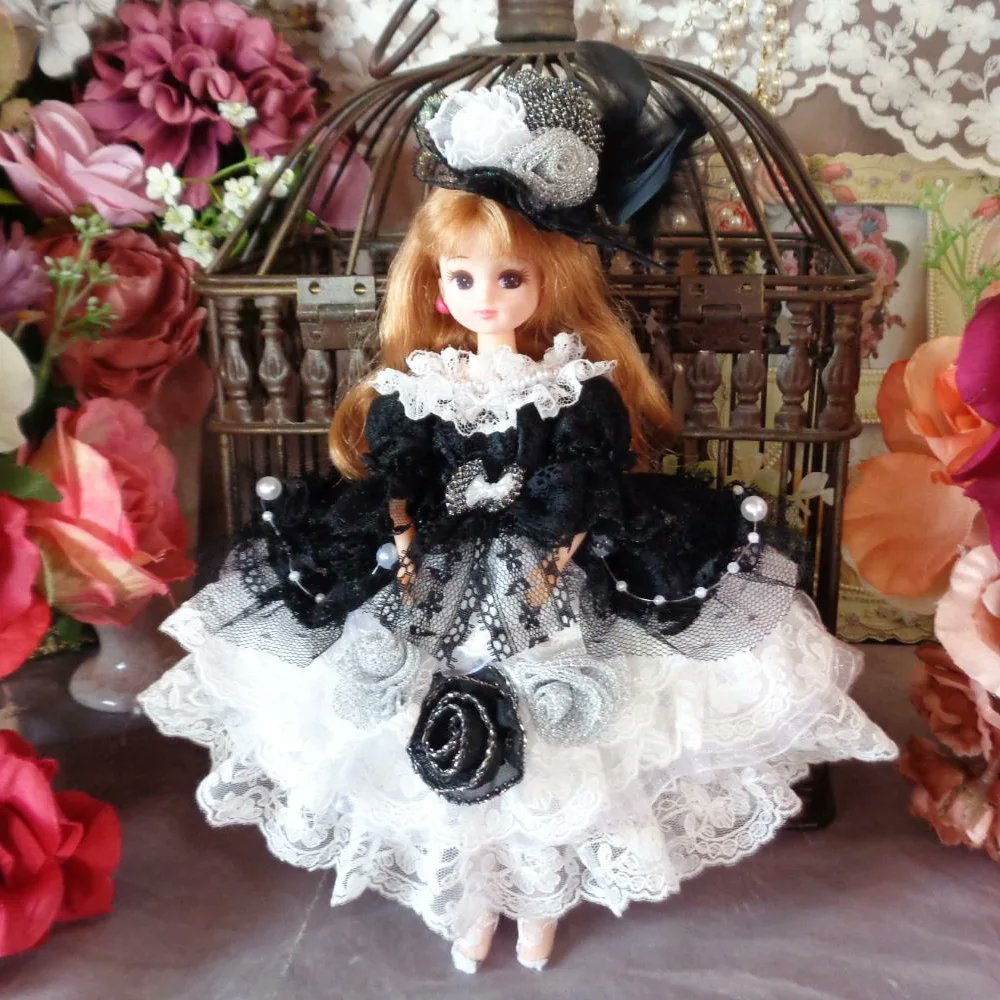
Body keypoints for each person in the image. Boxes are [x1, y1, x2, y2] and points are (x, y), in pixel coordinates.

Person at [140, 56, 895, 974]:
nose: (485, 298)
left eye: (508, 278)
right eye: (463, 279)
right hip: (436, 571)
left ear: (547, 280)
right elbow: (400, 468)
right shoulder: (421, 385)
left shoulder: (572, 382)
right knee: (429, 713)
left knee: (558, 730)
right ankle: (470, 895)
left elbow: (584, 472)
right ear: (436, 285)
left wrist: (562, 543)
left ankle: (538, 894)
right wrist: (401, 526)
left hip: (547, 572)